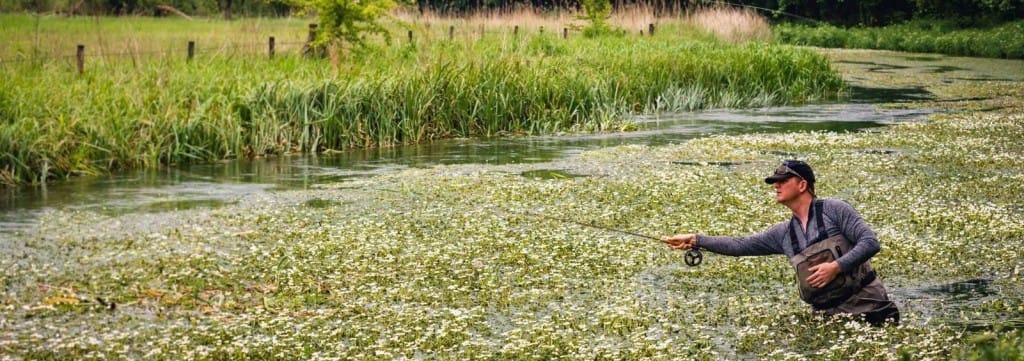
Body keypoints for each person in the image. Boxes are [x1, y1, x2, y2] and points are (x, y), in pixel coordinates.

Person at [662, 160, 900, 325]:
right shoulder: (783, 233)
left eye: (783, 180)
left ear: (802, 185)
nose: (776, 185)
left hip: (870, 307)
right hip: (828, 318)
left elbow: (870, 242)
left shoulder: (835, 210)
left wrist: (835, 267)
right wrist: (695, 239)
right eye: (775, 181)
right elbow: (739, 245)